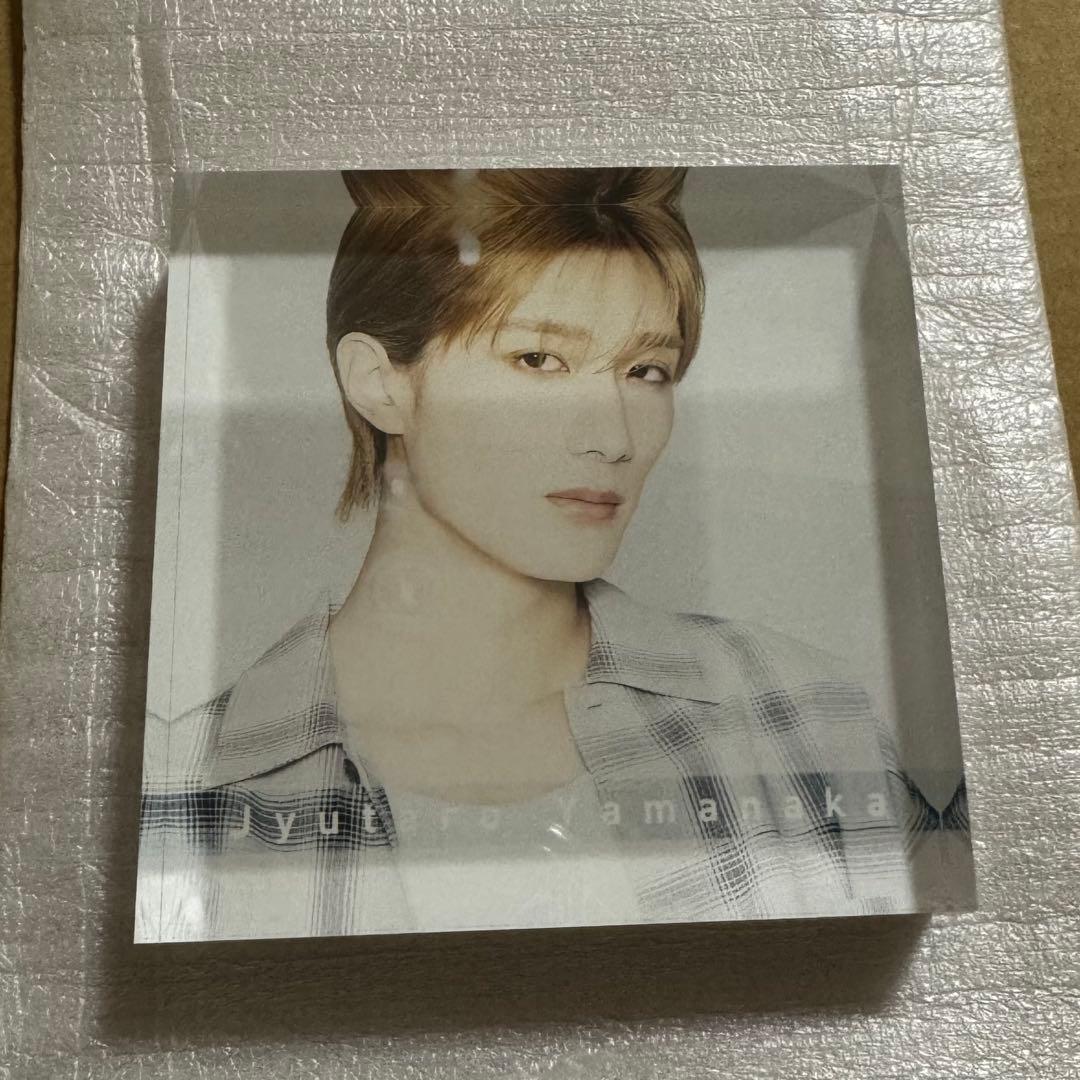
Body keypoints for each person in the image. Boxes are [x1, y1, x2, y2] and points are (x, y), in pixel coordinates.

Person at [136, 167, 952, 943]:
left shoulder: (804, 716)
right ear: (380, 383)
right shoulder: (186, 787)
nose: (612, 436)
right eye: (538, 359)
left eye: (646, 370)